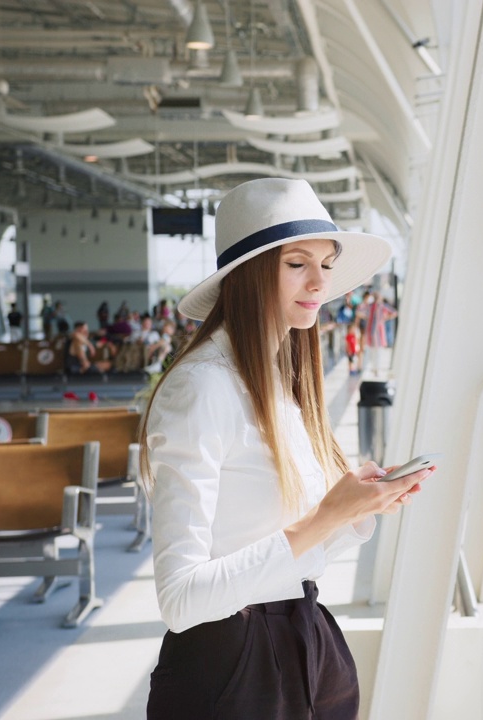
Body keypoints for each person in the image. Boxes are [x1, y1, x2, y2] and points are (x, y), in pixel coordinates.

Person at [140, 178, 431, 720]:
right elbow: (180, 600)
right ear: (250, 274)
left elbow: (282, 547)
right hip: (231, 664)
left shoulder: (281, 381)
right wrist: (324, 519)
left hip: (304, 638)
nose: (321, 281)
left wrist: (356, 509)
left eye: (326, 262)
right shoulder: (202, 387)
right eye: (298, 263)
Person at [359, 290, 397, 377]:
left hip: (373, 332)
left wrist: (366, 317)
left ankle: (374, 369)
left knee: (372, 352)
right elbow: (394, 313)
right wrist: (385, 318)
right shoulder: (380, 306)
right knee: (376, 352)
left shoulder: (373, 306)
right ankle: (376, 369)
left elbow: (359, 310)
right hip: (377, 332)